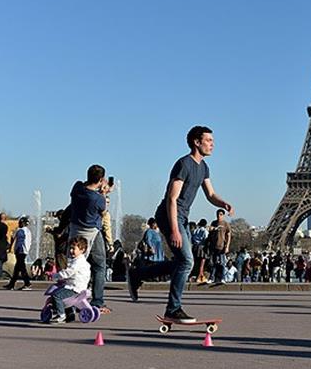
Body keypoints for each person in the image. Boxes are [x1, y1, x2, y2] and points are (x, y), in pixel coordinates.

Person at [128, 126, 234, 323]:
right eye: (208, 140)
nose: (212, 144)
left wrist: (223, 203)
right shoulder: (184, 164)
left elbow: (210, 194)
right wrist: (175, 230)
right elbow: (172, 198)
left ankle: (139, 274)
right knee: (187, 261)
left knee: (182, 261)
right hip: (170, 216)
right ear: (196, 142)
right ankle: (173, 309)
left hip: (182, 218)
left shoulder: (203, 167)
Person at [68, 164, 111, 313]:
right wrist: (104, 193)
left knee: (74, 266)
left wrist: (99, 188)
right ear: (101, 179)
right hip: (92, 232)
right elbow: (103, 212)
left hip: (75, 230)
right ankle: (97, 302)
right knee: (99, 266)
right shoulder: (98, 199)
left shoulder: (77, 188)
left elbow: (86, 188)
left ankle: (71, 299)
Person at [48, 236, 91, 324]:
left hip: (74, 287)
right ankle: (70, 314)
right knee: (67, 298)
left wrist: (55, 275)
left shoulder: (77, 262)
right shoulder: (82, 261)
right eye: (70, 248)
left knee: (56, 295)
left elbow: (68, 272)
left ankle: (61, 315)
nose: (71, 251)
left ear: (82, 250)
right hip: (80, 286)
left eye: (73, 249)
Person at [4, 216, 32, 290]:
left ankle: (27, 283)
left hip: (21, 251)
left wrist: (16, 248)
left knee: (22, 268)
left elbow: (20, 241)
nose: (19, 224)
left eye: (20, 222)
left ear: (23, 223)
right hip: (22, 251)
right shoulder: (26, 231)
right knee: (17, 269)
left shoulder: (21, 231)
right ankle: (12, 284)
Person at [208, 209, 231, 285]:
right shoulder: (214, 223)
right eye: (218, 214)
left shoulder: (226, 224)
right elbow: (210, 229)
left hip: (222, 246)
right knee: (214, 263)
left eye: (220, 214)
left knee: (222, 263)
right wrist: (213, 229)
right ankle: (212, 277)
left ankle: (222, 278)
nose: (219, 216)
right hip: (214, 246)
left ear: (223, 215)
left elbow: (228, 235)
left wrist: (227, 246)